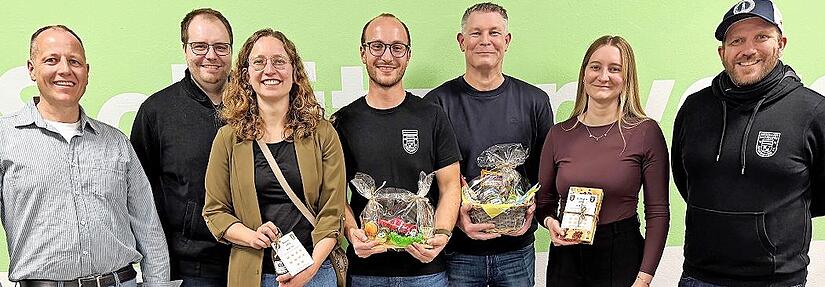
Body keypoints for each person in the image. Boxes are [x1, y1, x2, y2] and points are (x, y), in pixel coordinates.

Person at [0, 25, 177, 287]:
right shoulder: (5, 138)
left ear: (87, 72)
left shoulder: (116, 142)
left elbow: (149, 230)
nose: (64, 70)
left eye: (74, 62)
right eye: (51, 60)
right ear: (31, 69)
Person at [672, 0, 825, 286]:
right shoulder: (695, 108)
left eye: (761, 37)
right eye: (736, 41)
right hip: (699, 277)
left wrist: (768, 225)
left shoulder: (813, 111)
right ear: (722, 52)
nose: (748, 50)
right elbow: (686, 179)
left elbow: (817, 196)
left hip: (777, 281)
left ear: (781, 43)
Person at [203, 28, 346, 287]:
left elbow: (332, 213)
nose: (269, 70)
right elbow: (215, 211)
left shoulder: (322, 133)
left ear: (294, 71)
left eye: (279, 61)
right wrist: (250, 236)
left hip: (316, 272)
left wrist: (311, 268)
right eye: (259, 62)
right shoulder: (228, 138)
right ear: (247, 75)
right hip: (251, 276)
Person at [423, 3, 552, 285]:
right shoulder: (436, 104)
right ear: (461, 41)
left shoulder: (535, 101)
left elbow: (545, 174)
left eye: (494, 32)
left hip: (516, 252)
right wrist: (454, 220)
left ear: (506, 41)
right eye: (475, 33)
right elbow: (427, 180)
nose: (485, 41)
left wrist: (533, 209)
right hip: (458, 252)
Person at [332, 13, 462, 287]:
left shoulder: (432, 116)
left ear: (408, 54)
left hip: (426, 272)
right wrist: (352, 231)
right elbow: (334, 194)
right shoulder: (342, 122)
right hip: (366, 273)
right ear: (362, 52)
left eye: (397, 47)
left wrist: (440, 234)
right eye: (377, 46)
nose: (387, 56)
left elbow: (451, 186)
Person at [535, 35, 669, 287]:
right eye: (595, 67)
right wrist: (551, 222)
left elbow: (658, 212)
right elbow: (544, 202)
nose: (603, 76)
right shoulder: (559, 134)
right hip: (567, 257)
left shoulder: (645, 132)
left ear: (627, 77)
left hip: (621, 256)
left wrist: (644, 278)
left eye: (614, 69)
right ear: (584, 73)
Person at [130, 8, 233, 285]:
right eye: (200, 46)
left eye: (221, 47)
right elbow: (139, 195)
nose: (211, 55)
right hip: (190, 268)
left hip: (256, 259)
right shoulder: (157, 112)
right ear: (184, 49)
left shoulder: (257, 105)